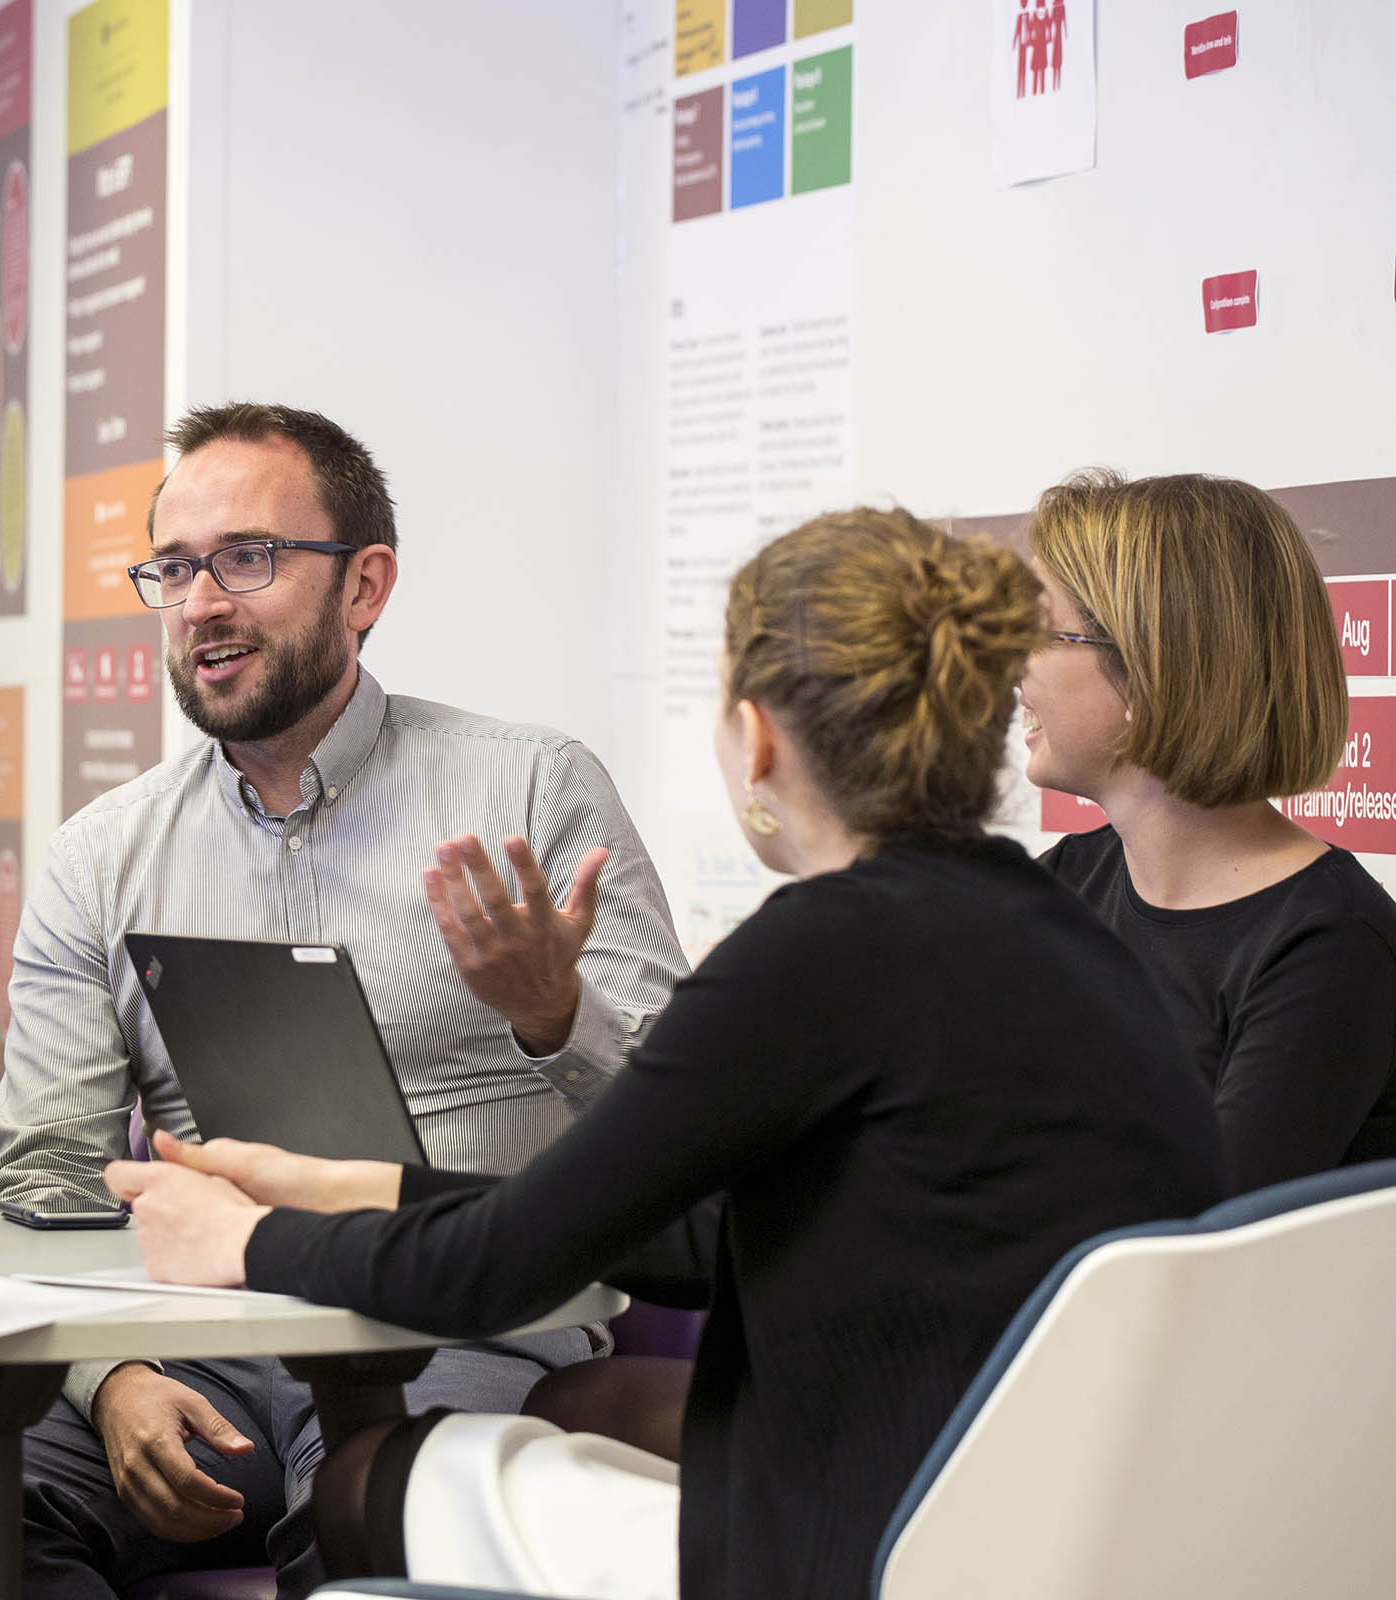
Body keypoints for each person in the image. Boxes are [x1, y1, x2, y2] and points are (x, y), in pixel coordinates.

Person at [111, 508, 1226, 1600]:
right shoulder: (1066, 930)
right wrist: (354, 1186)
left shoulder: (820, 948)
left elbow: (504, 1270)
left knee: (361, 1483)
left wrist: (251, 1239)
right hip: (1042, 1542)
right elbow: (703, 1235)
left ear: (760, 737)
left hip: (850, 1544)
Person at [0, 402, 689, 1599]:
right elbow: (44, 1176)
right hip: (197, 1343)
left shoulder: (529, 789)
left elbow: (682, 1133)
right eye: (175, 569)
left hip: (455, 1328)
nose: (201, 602)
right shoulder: (104, 856)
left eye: (246, 559)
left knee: (372, 1511)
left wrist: (555, 1016)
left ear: (365, 586)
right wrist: (111, 1375)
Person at [1023, 470, 1396, 1195]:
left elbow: (1192, 1235)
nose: (1010, 667)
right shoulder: (1062, 885)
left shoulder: (1331, 949)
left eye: (1038, 634)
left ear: (1144, 672)